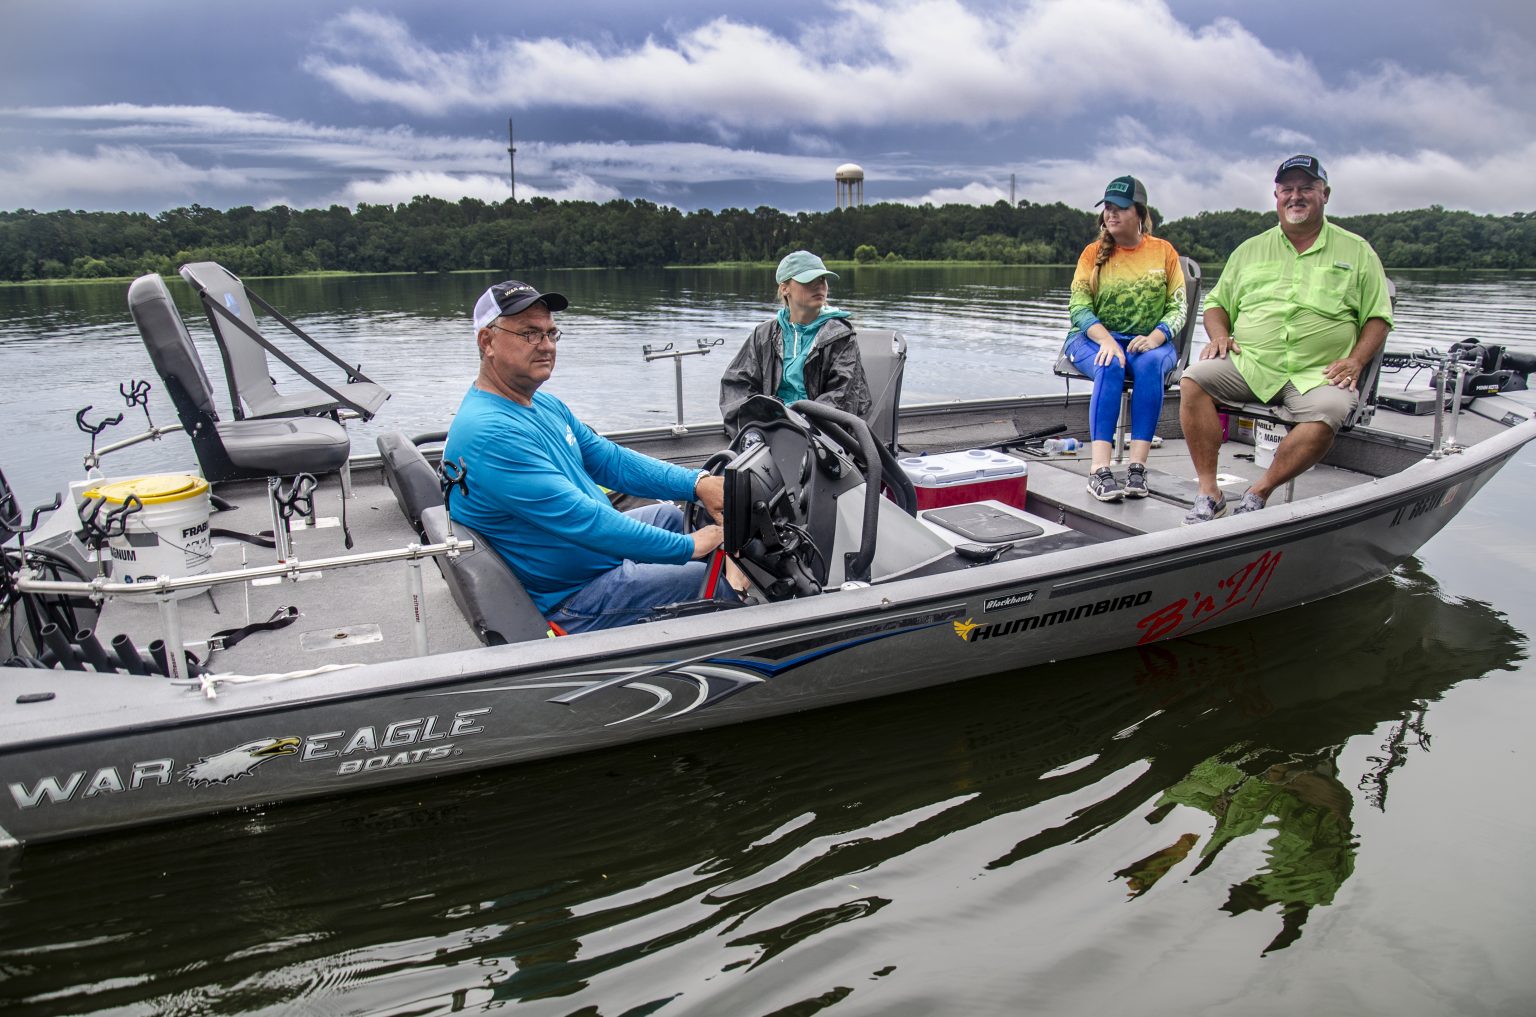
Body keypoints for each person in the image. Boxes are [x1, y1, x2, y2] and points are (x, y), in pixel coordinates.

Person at [442, 279, 736, 633]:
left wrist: (696, 483)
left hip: (592, 556)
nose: (546, 346)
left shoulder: (542, 404)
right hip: (574, 597)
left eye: (551, 333)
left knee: (674, 517)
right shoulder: (492, 433)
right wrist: (688, 547)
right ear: (487, 341)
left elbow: (610, 461)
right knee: (718, 578)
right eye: (530, 334)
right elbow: (585, 521)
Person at [1179, 155, 1393, 524]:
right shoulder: (1250, 250)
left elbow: (1379, 316)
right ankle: (1209, 492)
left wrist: (1357, 360)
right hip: (1252, 363)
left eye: (1306, 188)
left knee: (1329, 412)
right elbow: (1216, 305)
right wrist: (1219, 336)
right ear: (1276, 196)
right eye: (1288, 189)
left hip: (1318, 373)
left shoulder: (1357, 251)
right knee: (1193, 379)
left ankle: (1258, 491)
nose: (1296, 196)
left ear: (1325, 194)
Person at [1064, 175, 1188, 501]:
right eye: (1107, 208)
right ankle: (1099, 471)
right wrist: (1105, 339)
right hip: (1091, 338)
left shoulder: (1163, 252)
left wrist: (1158, 336)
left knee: (1149, 365)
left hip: (1145, 341)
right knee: (1111, 365)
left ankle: (1137, 468)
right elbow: (1078, 307)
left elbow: (1179, 307)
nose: (1111, 214)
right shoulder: (1092, 254)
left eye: (1120, 208)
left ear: (1140, 213)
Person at [719, 250, 871, 435]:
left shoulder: (840, 336)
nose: (820, 286)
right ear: (785, 288)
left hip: (821, 437)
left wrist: (795, 423)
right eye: (809, 281)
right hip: (771, 430)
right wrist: (758, 426)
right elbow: (736, 386)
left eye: (823, 279)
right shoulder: (764, 334)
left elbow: (843, 399)